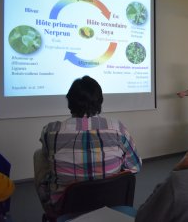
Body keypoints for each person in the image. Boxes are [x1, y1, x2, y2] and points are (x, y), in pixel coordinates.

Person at [34, 76, 142, 215]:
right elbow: (135, 167)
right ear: (100, 101)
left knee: (39, 155)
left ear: (70, 102)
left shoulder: (51, 131)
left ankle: (49, 206)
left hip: (67, 207)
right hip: (113, 202)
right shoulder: (117, 128)